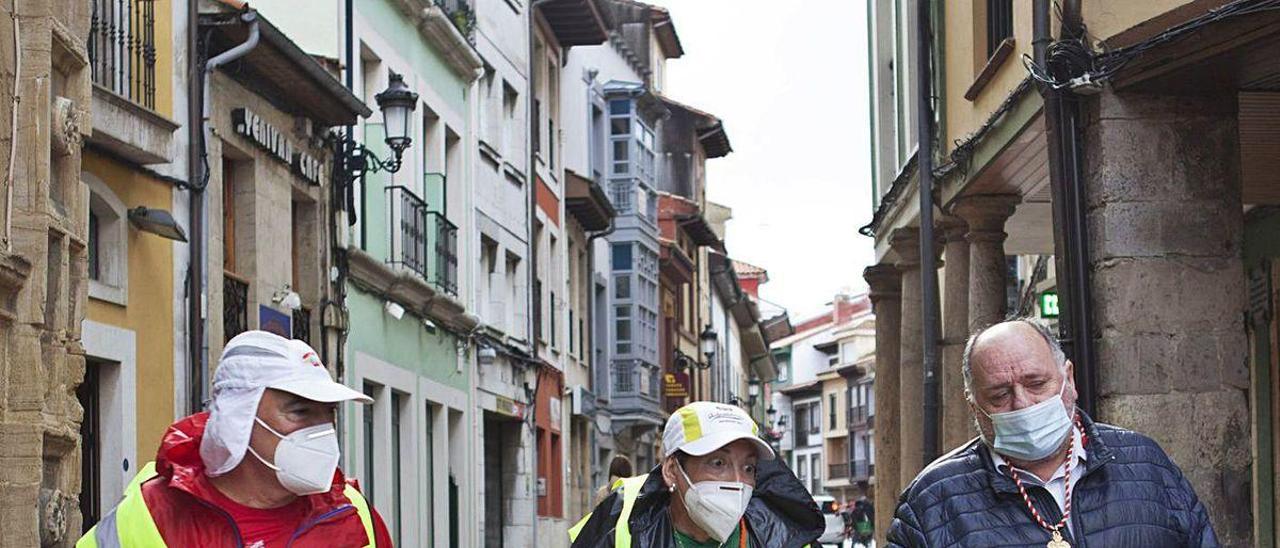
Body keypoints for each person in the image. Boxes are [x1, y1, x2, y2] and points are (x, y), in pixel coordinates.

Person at [887, 318, 1218, 547]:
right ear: (975, 406)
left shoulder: (1146, 464)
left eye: (1036, 383)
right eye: (1000, 395)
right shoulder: (931, 502)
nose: (1023, 404)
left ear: (1068, 379)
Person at [78, 330, 393, 547]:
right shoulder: (150, 516)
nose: (323, 430)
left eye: (329, 414)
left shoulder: (353, 513)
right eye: (300, 412)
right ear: (239, 416)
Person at [569, 401, 825, 547]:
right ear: (672, 471)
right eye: (717, 463)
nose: (738, 482)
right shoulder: (620, 531)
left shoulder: (787, 540)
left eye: (748, 468)